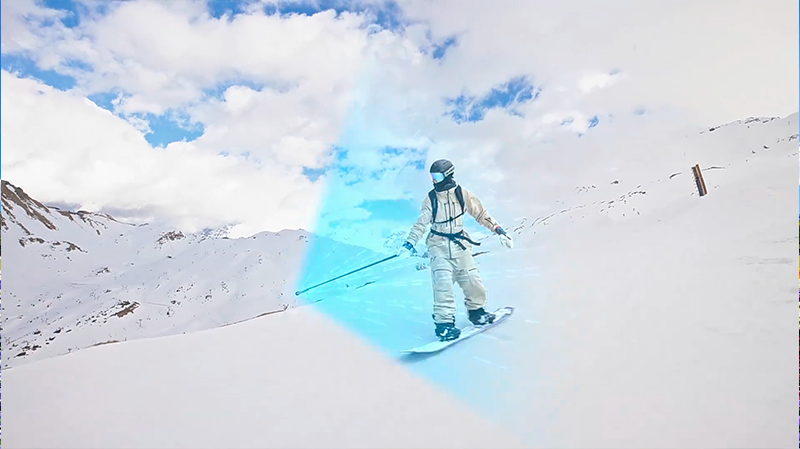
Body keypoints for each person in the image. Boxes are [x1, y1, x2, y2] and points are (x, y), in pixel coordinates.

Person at [397, 159, 514, 341]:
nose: (434, 180)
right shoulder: (431, 199)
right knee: (443, 285)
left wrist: (498, 230)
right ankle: (444, 325)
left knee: (472, 280)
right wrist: (409, 243)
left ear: (448, 175)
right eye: (432, 177)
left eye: (437, 176)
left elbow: (481, 214)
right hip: (438, 246)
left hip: (460, 244)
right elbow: (421, 223)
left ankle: (477, 312)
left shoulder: (462, 194)